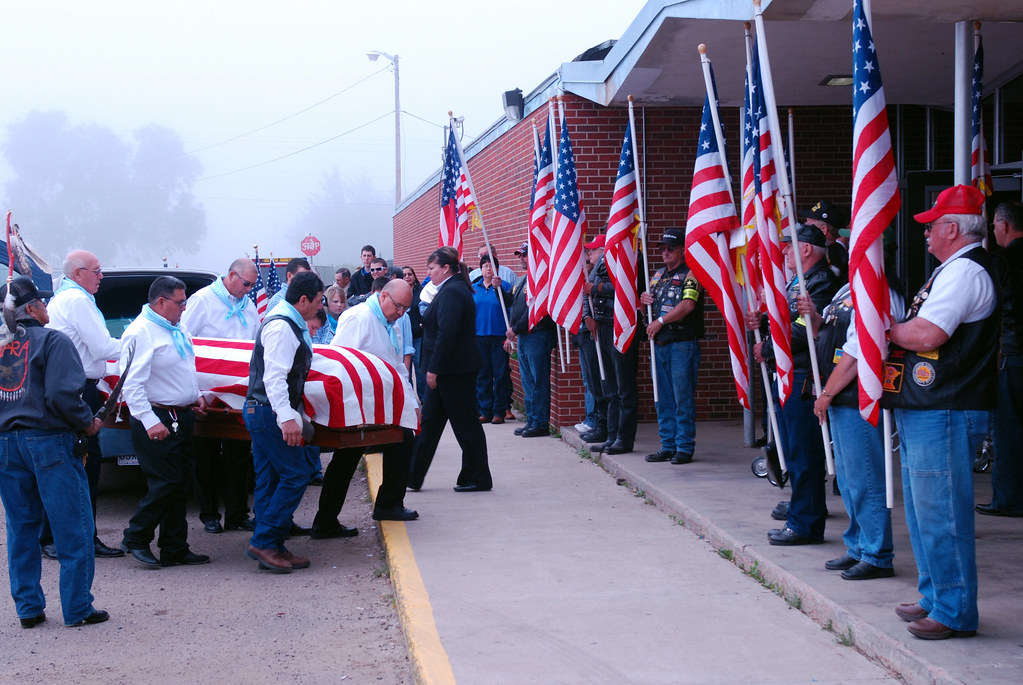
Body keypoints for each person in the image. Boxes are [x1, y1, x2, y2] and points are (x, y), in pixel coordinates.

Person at [884, 185, 998, 640]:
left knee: (942, 513)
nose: (926, 234)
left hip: (947, 406)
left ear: (952, 228)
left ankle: (953, 611)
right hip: (929, 405)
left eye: (931, 226)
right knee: (921, 510)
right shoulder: (951, 269)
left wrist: (883, 327)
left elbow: (928, 335)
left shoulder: (965, 271)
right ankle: (935, 595)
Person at [0, 277, 109, 628]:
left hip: (6, 443)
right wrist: (88, 422)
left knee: (21, 529)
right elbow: (63, 397)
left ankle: (28, 609)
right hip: (48, 441)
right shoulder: (54, 340)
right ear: (31, 308)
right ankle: (78, 608)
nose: (48, 309)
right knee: (72, 526)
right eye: (43, 304)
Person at [799, 269, 903, 580]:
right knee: (847, 478)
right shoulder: (847, 288)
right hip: (839, 396)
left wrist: (827, 393)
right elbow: (828, 335)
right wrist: (815, 317)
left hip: (858, 397)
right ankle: (858, 545)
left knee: (865, 477)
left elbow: (859, 351)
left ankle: (877, 553)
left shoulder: (881, 290)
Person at [748, 223, 840, 546]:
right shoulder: (799, 282)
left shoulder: (820, 283)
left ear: (805, 250)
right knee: (792, 448)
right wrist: (762, 324)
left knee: (804, 451)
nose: (784, 251)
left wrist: (769, 348)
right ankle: (803, 506)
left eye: (790, 245)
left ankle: (805, 522)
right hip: (791, 372)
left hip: (803, 375)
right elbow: (785, 321)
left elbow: (802, 333)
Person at [312, 279, 420, 538]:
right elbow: (339, 361)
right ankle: (326, 520)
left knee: (402, 439)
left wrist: (413, 403)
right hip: (356, 406)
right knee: (346, 459)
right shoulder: (359, 318)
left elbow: (396, 366)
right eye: (398, 306)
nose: (401, 313)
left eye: (406, 308)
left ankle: (387, 504)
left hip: (376, 405)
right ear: (383, 296)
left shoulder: (386, 322)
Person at [119, 276, 211, 569]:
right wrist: (148, 421)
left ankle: (174, 546)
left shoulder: (175, 328)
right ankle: (136, 536)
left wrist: (194, 396)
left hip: (180, 414)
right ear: (160, 302)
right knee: (166, 482)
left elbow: (183, 367)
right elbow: (131, 385)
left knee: (181, 483)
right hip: (156, 417)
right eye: (180, 302)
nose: (185, 307)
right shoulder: (142, 332)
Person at [43, 249, 124, 559]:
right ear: (77, 274)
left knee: (71, 466)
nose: (102, 276)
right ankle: (78, 539)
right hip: (77, 393)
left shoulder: (68, 298)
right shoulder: (77, 301)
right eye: (97, 270)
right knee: (82, 467)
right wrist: (138, 343)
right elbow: (103, 347)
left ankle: (62, 536)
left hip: (72, 389)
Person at [243, 270, 325, 573]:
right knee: (296, 474)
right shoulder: (282, 327)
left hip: (261, 410)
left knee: (271, 479)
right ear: (302, 300)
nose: (320, 307)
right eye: (317, 301)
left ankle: (271, 545)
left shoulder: (285, 321)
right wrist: (287, 418)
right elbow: (274, 378)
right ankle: (265, 541)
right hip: (269, 411)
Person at [181, 259, 259, 535]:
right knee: (206, 456)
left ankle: (237, 513)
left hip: (238, 394)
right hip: (207, 394)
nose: (249, 290)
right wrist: (195, 391)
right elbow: (183, 342)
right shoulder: (202, 301)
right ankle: (209, 513)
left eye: (252, 285)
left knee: (238, 455)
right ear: (231, 276)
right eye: (246, 284)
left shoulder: (248, 306)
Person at [408, 247, 493, 492]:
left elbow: (448, 334)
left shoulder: (453, 291)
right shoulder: (449, 289)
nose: (429, 272)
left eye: (432, 268)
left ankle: (477, 477)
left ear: (446, 268)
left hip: (454, 372)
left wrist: (433, 369)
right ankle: (411, 475)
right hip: (447, 371)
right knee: (429, 425)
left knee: (466, 425)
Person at [639, 228, 704, 465]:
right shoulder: (657, 275)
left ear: (682, 250)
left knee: (681, 397)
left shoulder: (692, 273)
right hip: (659, 343)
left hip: (682, 343)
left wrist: (661, 321)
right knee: (662, 397)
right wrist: (642, 301)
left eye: (670, 248)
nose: (665, 253)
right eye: (662, 249)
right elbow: (645, 307)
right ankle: (667, 445)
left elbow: (688, 305)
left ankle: (684, 447)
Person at [977, 200, 1023, 517]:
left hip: (1011, 353)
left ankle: (1008, 499)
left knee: (1008, 430)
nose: (993, 230)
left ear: (1004, 225)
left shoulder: (1000, 261)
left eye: (994, 224)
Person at [585, 231, 639, 455]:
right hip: (604, 325)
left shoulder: (623, 258)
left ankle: (624, 438)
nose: (589, 253)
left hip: (621, 326)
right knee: (609, 386)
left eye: (593, 250)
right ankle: (612, 435)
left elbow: (623, 287)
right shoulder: (598, 267)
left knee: (623, 386)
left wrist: (595, 288)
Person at [506, 242, 556, 437]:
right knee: (527, 381)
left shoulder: (541, 280)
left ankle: (540, 423)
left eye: (524, 255)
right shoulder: (522, 280)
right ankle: (532, 420)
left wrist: (516, 328)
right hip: (524, 337)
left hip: (538, 335)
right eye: (519, 255)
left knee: (538, 380)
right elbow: (512, 303)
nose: (521, 259)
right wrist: (498, 289)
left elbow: (535, 309)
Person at [473, 254, 512, 424]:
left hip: (499, 337)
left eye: (492, 265)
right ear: (480, 269)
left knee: (500, 374)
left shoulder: (506, 287)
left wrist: (499, 288)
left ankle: (499, 411)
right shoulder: (474, 288)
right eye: (485, 265)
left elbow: (510, 306)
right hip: (479, 337)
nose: (488, 269)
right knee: (483, 375)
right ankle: (485, 410)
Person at [578, 236, 609, 445]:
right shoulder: (593, 270)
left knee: (602, 380)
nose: (588, 254)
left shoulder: (605, 268)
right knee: (593, 380)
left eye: (592, 251)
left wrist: (591, 318)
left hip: (604, 328)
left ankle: (605, 425)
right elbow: (584, 296)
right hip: (588, 329)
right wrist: (586, 317)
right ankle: (599, 422)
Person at [804, 200, 850, 282]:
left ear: (823, 229)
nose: (805, 229)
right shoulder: (834, 251)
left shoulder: (831, 255)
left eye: (809, 226)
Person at [404, 266, 426, 401]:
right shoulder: (399, 292)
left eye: (409, 274)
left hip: (418, 335)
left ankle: (424, 398)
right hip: (404, 337)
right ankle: (409, 398)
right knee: (405, 369)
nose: (407, 277)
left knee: (419, 367)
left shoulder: (421, 292)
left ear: (414, 276)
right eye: (404, 274)